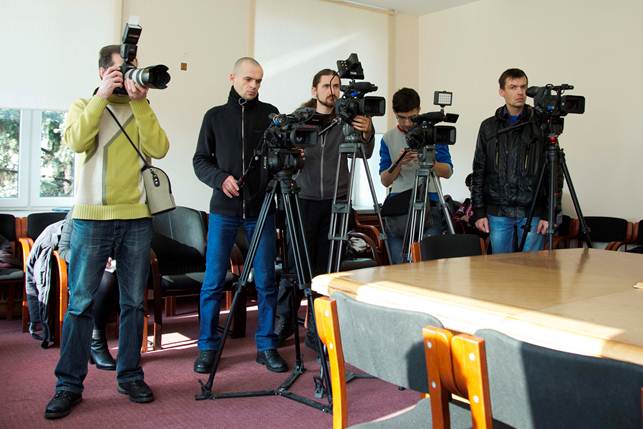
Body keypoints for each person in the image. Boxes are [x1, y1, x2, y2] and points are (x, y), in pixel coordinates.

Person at [45, 45, 169, 419]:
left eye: (131, 69)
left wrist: (141, 103)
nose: (128, 75)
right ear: (102, 72)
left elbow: (160, 148)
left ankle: (130, 375)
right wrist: (101, 97)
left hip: (136, 218)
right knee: (80, 304)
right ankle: (68, 385)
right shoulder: (84, 105)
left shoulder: (141, 108)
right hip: (90, 218)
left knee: (133, 303)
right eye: (120, 69)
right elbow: (77, 142)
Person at [193, 57, 287, 374]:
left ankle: (266, 345)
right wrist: (220, 179)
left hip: (262, 210)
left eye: (258, 81)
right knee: (213, 282)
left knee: (266, 281)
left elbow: (280, 159)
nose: (254, 86)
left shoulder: (271, 115)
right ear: (232, 77)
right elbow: (200, 160)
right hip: (224, 211)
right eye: (248, 79)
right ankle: (207, 347)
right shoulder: (215, 117)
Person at [273, 68, 374, 345]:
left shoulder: (347, 121)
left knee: (327, 270)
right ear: (314, 90)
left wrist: (367, 132)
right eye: (327, 86)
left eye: (336, 86)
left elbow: (364, 153)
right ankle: (284, 323)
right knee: (295, 266)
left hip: (335, 202)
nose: (333, 91)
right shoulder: (299, 120)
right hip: (303, 199)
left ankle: (318, 331)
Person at [471, 68, 550, 254]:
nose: (520, 92)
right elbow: (479, 170)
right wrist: (479, 211)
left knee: (532, 267)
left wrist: (550, 213)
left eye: (523, 87)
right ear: (502, 91)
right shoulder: (488, 127)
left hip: (533, 211)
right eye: (513, 87)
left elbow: (554, 172)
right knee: (501, 267)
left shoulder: (541, 124)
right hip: (498, 211)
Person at [379, 88, 453, 264]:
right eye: (401, 117)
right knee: (399, 266)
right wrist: (398, 163)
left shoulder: (433, 134)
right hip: (399, 209)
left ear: (419, 110)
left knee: (428, 265)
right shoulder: (388, 138)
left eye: (411, 117)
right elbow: (385, 181)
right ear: (394, 113)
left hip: (430, 203)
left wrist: (427, 161)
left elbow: (448, 171)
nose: (406, 123)